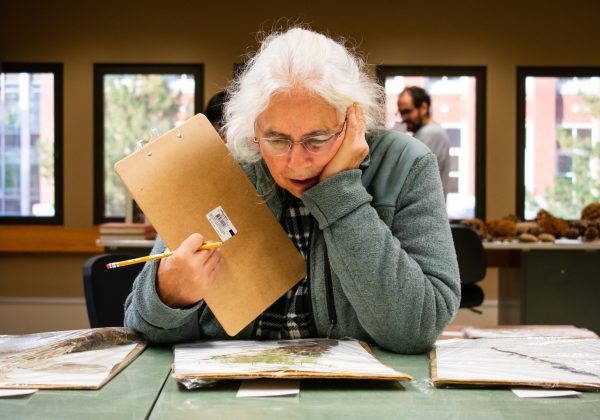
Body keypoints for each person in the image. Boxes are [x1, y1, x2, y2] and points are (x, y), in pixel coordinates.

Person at [124, 27, 460, 354]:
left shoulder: (408, 164)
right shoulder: (217, 168)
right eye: (277, 140)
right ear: (252, 129)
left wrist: (339, 191)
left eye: (316, 139)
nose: (297, 163)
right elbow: (142, 327)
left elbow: (418, 328)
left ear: (352, 119)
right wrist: (168, 294)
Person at [397, 86, 451, 198]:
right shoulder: (427, 131)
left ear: (423, 108)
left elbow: (406, 172)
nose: (404, 118)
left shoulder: (431, 133)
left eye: (407, 111)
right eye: (401, 113)